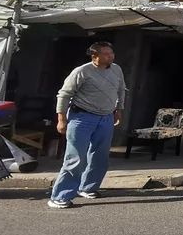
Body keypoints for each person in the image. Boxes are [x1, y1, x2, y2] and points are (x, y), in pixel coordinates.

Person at [47, 41, 126, 208]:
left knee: (100, 156)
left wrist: (119, 108)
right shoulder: (82, 71)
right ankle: (60, 196)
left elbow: (120, 89)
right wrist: (61, 119)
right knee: (75, 157)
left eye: (111, 53)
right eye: (106, 54)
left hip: (105, 117)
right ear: (95, 56)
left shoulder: (116, 69)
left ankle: (88, 187)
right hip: (81, 117)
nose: (110, 56)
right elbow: (64, 95)